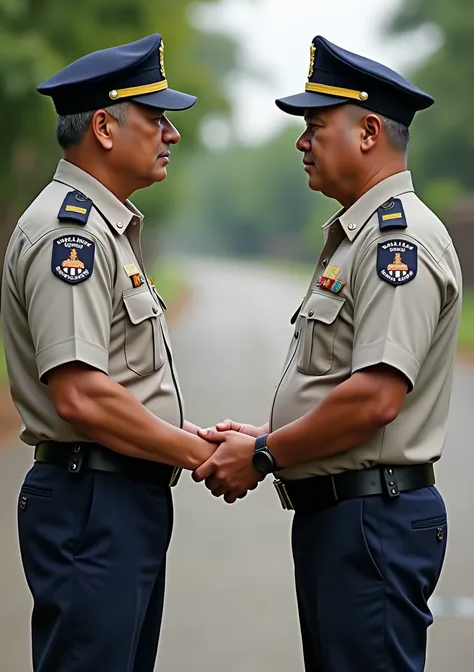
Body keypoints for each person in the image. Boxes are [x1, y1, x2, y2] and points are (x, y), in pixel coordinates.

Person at [193, 35, 463, 671]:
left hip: (371, 523)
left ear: (369, 132)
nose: (301, 142)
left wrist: (262, 454)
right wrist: (276, 434)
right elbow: (343, 385)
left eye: (316, 126)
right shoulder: (359, 235)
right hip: (347, 518)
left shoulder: (400, 243)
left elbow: (374, 399)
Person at [0, 34, 219, 672]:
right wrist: (196, 453)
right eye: (156, 118)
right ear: (103, 126)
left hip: (115, 496)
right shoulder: (71, 234)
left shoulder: (103, 227)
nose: (171, 134)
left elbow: (115, 380)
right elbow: (80, 393)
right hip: (91, 500)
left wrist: (175, 437)